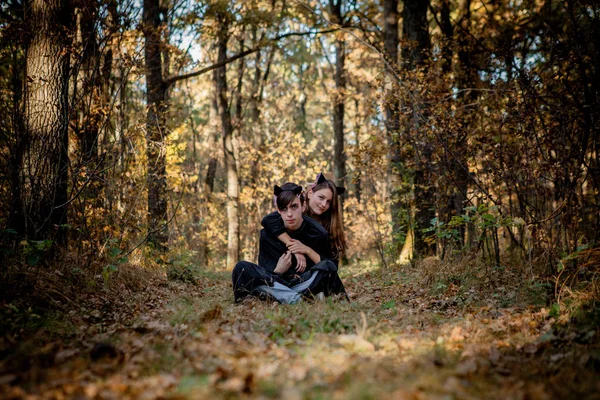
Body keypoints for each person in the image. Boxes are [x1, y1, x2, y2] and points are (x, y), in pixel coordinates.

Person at [232, 182, 347, 304]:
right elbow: (266, 274)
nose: (290, 214)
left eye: (294, 207)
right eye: (284, 209)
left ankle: (287, 297)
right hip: (276, 283)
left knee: (327, 267)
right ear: (278, 211)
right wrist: (278, 271)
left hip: (302, 283)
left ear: (303, 206)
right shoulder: (268, 233)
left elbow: (329, 267)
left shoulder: (317, 233)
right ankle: (295, 299)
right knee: (241, 268)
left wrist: (306, 250)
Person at [261, 172, 348, 271]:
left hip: (314, 273)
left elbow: (332, 266)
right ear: (310, 193)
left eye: (329, 202)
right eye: (321, 197)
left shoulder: (328, 227)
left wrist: (306, 250)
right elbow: (267, 220)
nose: (324, 204)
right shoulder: (295, 210)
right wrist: (295, 248)